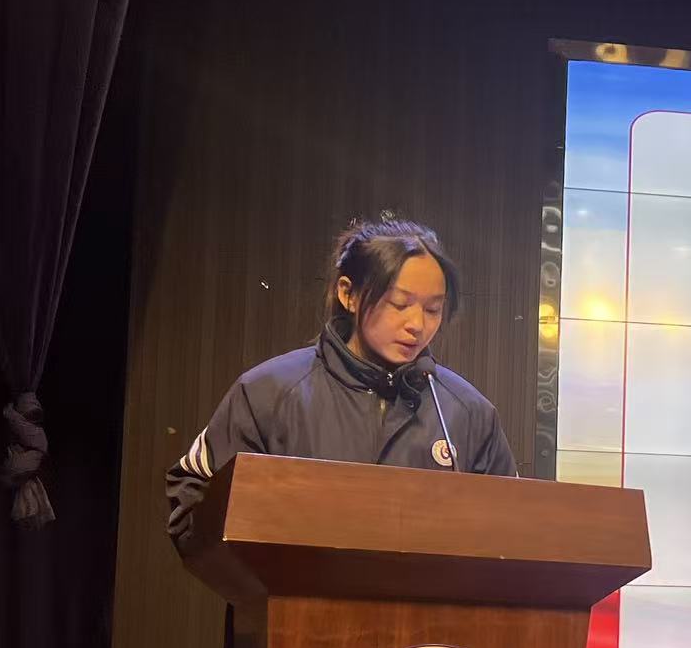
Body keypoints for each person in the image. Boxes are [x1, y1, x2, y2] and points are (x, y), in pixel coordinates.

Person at [165, 216, 514, 547]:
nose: (417, 325)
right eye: (399, 304)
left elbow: (510, 531)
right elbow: (193, 498)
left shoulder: (468, 413)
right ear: (349, 294)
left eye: (433, 309)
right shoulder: (268, 392)